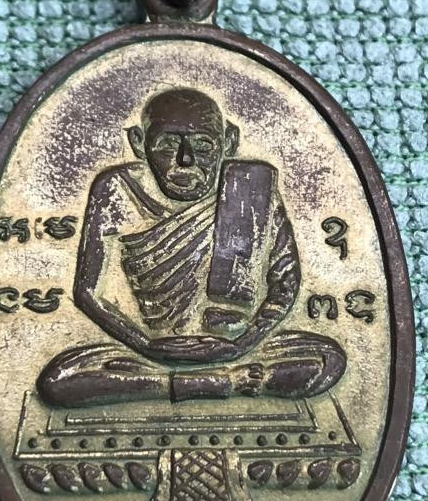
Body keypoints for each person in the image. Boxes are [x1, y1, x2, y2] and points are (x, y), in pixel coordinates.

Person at [37, 88, 346, 407]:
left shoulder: (251, 187)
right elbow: (88, 292)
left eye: (203, 145)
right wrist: (144, 344)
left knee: (329, 359)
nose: (185, 160)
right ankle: (226, 382)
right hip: (148, 351)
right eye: (168, 144)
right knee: (58, 381)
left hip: (240, 348)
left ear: (229, 142)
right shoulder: (117, 188)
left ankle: (177, 384)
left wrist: (245, 341)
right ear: (139, 143)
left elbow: (286, 282)